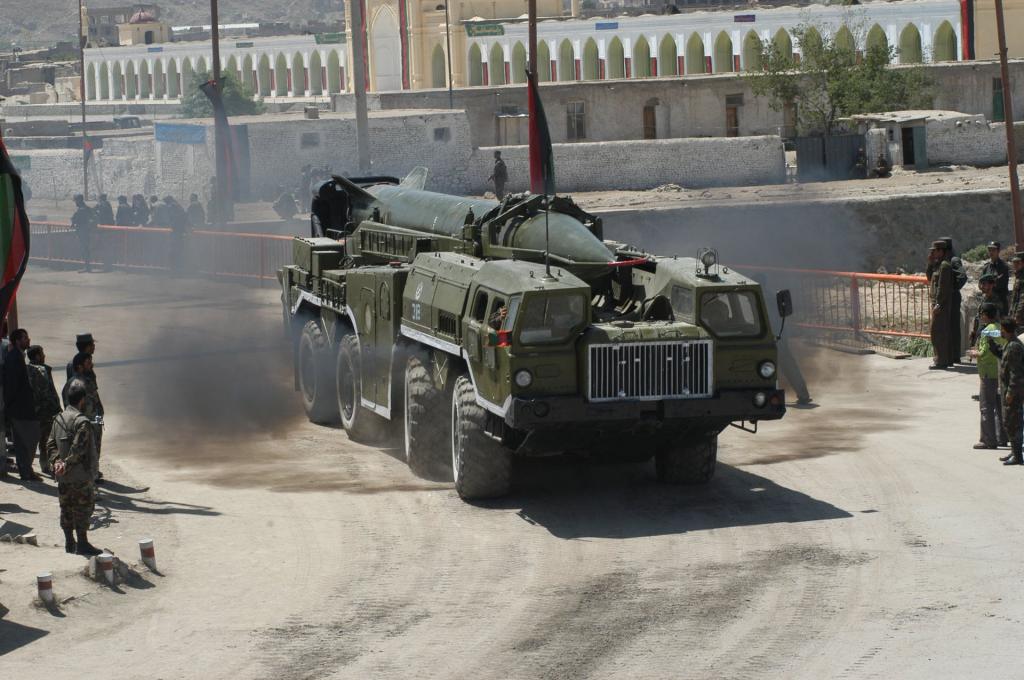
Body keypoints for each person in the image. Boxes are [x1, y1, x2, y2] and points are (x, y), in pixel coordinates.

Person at [46, 379, 102, 556]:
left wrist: (57, 463)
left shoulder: (59, 418)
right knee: (83, 508)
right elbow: (79, 448)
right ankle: (83, 544)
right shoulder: (82, 422)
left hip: (62, 476)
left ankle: (69, 543)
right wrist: (66, 464)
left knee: (66, 508)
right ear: (82, 399)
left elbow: (50, 444)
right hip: (79, 476)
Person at [969, 304, 1007, 450]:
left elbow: (984, 353)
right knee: (999, 406)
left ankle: (988, 439)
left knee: (986, 406)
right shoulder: (999, 328)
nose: (980, 316)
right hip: (1000, 371)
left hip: (987, 373)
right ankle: (1001, 437)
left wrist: (973, 353)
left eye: (981, 314)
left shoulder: (987, 331)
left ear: (986, 315)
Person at [4, 329, 40, 482]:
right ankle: (25, 471)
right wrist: (10, 406)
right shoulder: (14, 358)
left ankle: (26, 470)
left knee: (26, 440)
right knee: (27, 440)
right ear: (17, 341)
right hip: (19, 407)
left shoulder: (18, 356)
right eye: (25, 338)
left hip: (22, 406)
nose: (28, 340)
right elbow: (11, 385)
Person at [63, 351, 105, 483]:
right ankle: (89, 486)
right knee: (86, 455)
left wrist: (99, 422)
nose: (91, 365)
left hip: (94, 424)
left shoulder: (88, 381)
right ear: (79, 366)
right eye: (88, 363)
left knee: (94, 453)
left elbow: (97, 404)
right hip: (84, 426)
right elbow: (69, 407)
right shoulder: (74, 384)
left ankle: (93, 478)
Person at [26, 345, 61, 476]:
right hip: (45, 411)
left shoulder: (27, 369)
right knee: (48, 440)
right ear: (37, 356)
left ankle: (34, 465)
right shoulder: (42, 370)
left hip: (32, 411)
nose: (44, 356)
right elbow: (48, 392)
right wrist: (57, 408)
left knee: (36, 439)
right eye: (42, 353)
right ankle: (47, 465)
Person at [998, 318, 1024, 465]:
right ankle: (1014, 451)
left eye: (1001, 329)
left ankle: (1018, 456)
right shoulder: (1010, 343)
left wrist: (1010, 393)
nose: (1000, 331)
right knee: (1009, 421)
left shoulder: (1014, 346)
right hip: (1008, 389)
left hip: (1013, 392)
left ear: (1005, 329)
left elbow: (1016, 373)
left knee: (1013, 422)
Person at [940, 236, 968, 363]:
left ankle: (955, 355)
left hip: (953, 297)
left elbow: (962, 276)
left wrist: (953, 289)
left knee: (954, 326)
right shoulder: (944, 260)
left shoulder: (954, 259)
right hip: (948, 298)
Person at [929, 240, 956, 369]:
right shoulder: (938, 265)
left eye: (934, 251)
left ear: (941, 251)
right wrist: (930, 262)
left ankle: (941, 360)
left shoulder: (945, 266)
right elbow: (930, 278)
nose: (933, 253)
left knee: (938, 332)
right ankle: (944, 359)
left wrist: (938, 303)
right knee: (940, 331)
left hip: (941, 304)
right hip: (938, 303)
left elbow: (943, 287)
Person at [970, 274, 1007, 347]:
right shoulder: (983, 298)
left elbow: (997, 322)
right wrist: (974, 331)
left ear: (991, 285)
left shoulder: (997, 301)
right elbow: (978, 316)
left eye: (984, 284)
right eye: (981, 284)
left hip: (991, 336)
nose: (981, 286)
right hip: (981, 333)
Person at [71, 193, 98, 273]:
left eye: (76, 200)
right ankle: (87, 267)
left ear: (79, 200)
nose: (75, 202)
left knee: (84, 249)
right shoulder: (87, 208)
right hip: (86, 232)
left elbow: (75, 219)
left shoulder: (81, 210)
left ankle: (87, 267)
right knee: (85, 249)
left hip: (82, 232)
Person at [982, 241, 1010, 312]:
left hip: (999, 302)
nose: (991, 252)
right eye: (989, 250)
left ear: (998, 251)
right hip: (988, 302)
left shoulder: (1003, 267)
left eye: (993, 250)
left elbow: (1000, 284)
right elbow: (981, 283)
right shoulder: (986, 267)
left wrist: (988, 285)